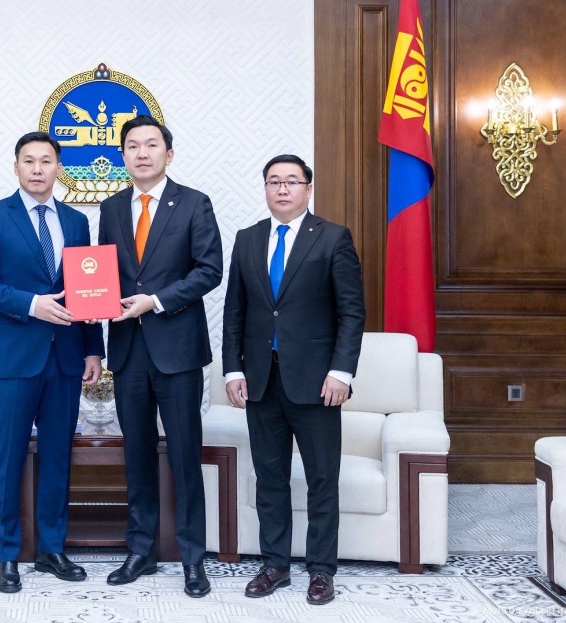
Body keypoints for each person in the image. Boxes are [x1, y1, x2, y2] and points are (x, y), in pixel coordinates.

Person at [0, 131, 104, 594]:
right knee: (9, 458)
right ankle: (6, 556)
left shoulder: (76, 222)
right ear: (16, 167)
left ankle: (51, 549)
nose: (38, 168)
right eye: (29, 160)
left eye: (46, 160)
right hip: (12, 360)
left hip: (65, 358)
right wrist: (31, 304)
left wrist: (93, 348)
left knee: (58, 456)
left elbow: (88, 291)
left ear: (59, 168)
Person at [222, 154, 365, 605]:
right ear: (265, 188)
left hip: (318, 381)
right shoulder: (247, 239)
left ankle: (321, 570)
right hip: (261, 380)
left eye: (291, 181)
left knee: (322, 478)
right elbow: (234, 311)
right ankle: (275, 566)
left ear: (308, 188)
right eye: (274, 181)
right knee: (270, 479)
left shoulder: (333, 238)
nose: (282, 189)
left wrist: (341, 371)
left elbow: (352, 311)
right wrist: (233, 369)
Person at [97, 115, 223, 598]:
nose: (142, 153)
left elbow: (209, 269)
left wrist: (156, 300)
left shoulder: (193, 202)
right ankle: (141, 550)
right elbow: (104, 274)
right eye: (133, 146)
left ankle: (193, 559)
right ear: (123, 156)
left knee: (186, 455)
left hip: (178, 349)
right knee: (137, 454)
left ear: (169, 154)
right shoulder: (111, 208)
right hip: (128, 349)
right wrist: (94, 301)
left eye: (151, 145)